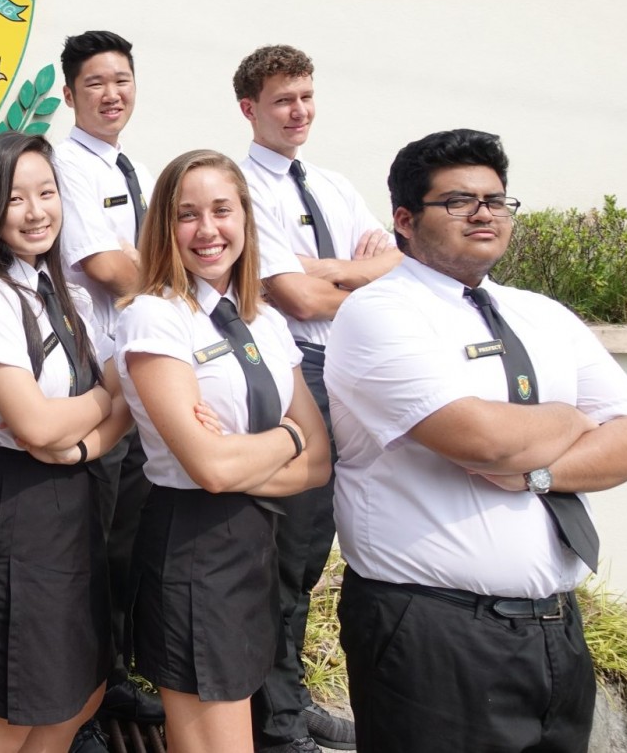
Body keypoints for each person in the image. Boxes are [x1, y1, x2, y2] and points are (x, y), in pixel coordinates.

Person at [325, 129, 627, 753]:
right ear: (404, 220)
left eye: (496, 199)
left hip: (556, 631)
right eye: (458, 201)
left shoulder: (544, 315)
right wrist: (573, 418)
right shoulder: (380, 313)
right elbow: (481, 440)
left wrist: (539, 474)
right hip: (434, 630)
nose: (484, 213)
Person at [115, 149, 330, 753]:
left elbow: (320, 460)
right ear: (164, 226)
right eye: (187, 215)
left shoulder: (264, 320)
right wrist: (287, 438)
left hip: (254, 541)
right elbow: (210, 468)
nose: (207, 230)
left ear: (245, 218)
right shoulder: (156, 317)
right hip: (194, 546)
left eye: (221, 210)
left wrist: (239, 455)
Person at [0, 131, 132, 753]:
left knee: (81, 691)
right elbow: (38, 426)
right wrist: (98, 404)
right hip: (12, 508)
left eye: (46, 193)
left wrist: (81, 446)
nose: (36, 211)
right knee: (13, 705)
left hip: (73, 496)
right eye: (15, 198)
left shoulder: (67, 294)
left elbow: (118, 404)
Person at [232, 45, 398, 753]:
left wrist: (327, 268)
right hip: (297, 374)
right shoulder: (241, 188)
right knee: (287, 553)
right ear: (250, 109)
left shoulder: (333, 184)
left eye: (305, 96)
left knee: (313, 554)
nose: (298, 111)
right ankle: (275, 723)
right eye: (282, 100)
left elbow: (403, 262)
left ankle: (289, 704)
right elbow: (295, 298)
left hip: (354, 373)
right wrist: (358, 272)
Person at [52, 31, 160, 747]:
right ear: (69, 94)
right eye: (95, 82)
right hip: (97, 377)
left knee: (125, 543)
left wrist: (151, 269)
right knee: (87, 546)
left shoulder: (135, 167)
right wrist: (176, 278)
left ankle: (110, 678)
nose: (111, 93)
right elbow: (108, 268)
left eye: (122, 79)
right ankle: (78, 707)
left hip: (144, 373)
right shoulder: (65, 165)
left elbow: (141, 263)